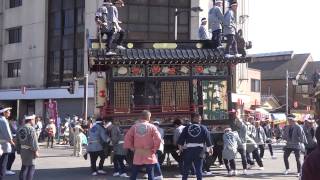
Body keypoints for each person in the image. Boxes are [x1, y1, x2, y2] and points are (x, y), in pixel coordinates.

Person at [124, 110, 161, 180]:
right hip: (149, 152)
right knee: (150, 173)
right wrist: (155, 148)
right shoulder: (152, 127)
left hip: (138, 152)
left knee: (134, 172)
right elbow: (158, 138)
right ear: (148, 117)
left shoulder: (134, 127)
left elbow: (127, 137)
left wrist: (131, 147)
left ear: (141, 117)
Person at [177, 113, 213, 180]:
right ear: (194, 118)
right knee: (199, 169)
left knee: (186, 169)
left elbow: (181, 139)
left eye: (200, 117)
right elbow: (208, 138)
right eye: (199, 117)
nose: (200, 119)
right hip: (199, 150)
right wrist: (210, 148)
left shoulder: (187, 127)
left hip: (188, 150)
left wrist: (180, 148)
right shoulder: (203, 127)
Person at [16, 115, 39, 180]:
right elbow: (34, 141)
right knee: (31, 167)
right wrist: (36, 151)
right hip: (30, 151)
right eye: (34, 120)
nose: (34, 121)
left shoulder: (20, 128)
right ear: (30, 120)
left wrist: (18, 150)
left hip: (23, 150)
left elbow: (17, 140)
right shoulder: (31, 129)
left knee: (24, 167)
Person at [0, 106, 14, 180]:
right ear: (4, 112)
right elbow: (8, 135)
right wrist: (13, 143)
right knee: (3, 165)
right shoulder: (3, 120)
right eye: (8, 111)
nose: (10, 112)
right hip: (4, 146)